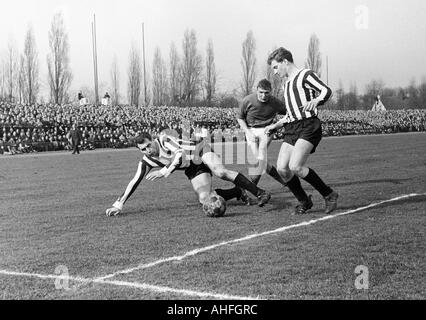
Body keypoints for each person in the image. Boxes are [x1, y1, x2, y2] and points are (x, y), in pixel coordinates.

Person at [105, 131, 271, 216]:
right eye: (143, 149)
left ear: (152, 140)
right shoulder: (146, 161)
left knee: (220, 172)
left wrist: (164, 171)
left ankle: (260, 193)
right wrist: (118, 204)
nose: (148, 151)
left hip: (199, 150)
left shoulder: (163, 139)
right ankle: (238, 191)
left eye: (148, 146)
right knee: (204, 199)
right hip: (193, 168)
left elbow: (179, 154)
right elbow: (135, 181)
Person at [265, 47, 338, 215]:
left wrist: (317, 100)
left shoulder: (305, 75)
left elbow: (326, 90)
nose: (275, 72)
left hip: (308, 125)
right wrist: (275, 125)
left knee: (295, 166)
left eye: (276, 67)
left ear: (285, 61)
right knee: (282, 169)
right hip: (292, 128)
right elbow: (291, 114)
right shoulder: (286, 85)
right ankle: (304, 201)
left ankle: (329, 194)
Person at [237, 79, 288, 188]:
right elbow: (240, 118)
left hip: (267, 130)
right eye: (261, 92)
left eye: (266, 93)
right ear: (257, 90)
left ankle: (250, 189)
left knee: (260, 161)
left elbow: (290, 113)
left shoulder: (275, 102)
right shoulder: (248, 100)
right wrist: (247, 132)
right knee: (260, 162)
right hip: (251, 130)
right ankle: (284, 181)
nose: (263, 95)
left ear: (271, 91)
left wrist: (276, 126)